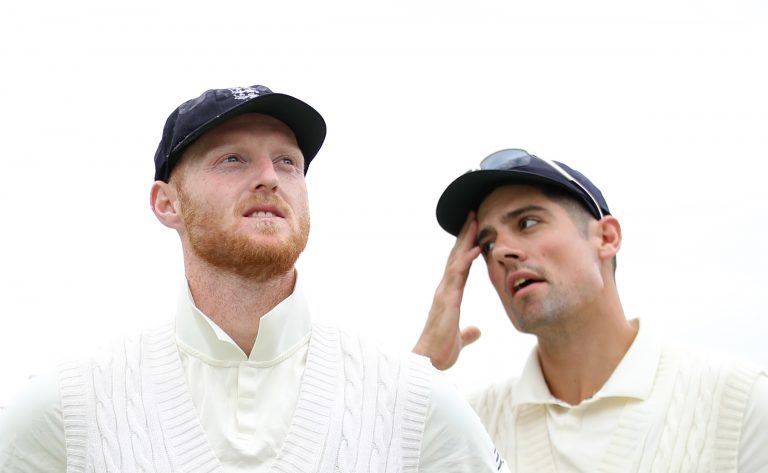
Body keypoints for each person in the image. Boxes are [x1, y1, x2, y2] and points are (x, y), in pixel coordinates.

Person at [0, 85, 507, 473]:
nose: (269, 175)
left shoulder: (420, 405)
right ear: (166, 203)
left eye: (287, 161)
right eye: (232, 159)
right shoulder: (65, 409)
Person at [413, 148, 768, 472]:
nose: (502, 251)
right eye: (487, 244)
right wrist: (422, 371)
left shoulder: (737, 400)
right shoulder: (472, 423)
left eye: (528, 223)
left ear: (607, 237)